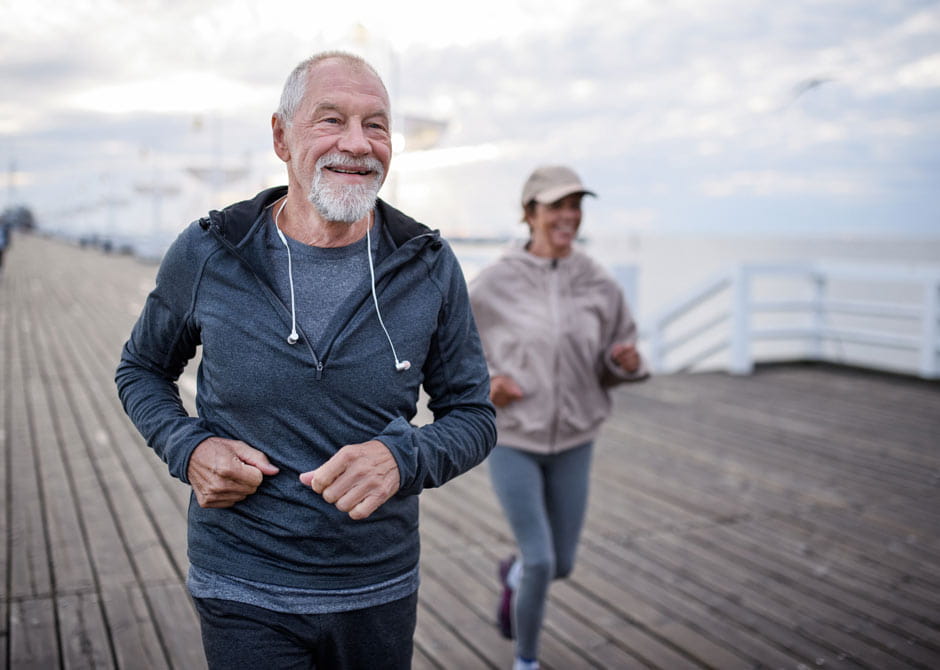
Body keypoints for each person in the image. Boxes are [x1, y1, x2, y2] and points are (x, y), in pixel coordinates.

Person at [115, 51, 496, 670]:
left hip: (379, 587)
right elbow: (141, 370)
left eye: (376, 125)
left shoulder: (427, 263)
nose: (358, 143)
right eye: (331, 120)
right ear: (280, 137)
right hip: (242, 582)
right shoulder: (212, 252)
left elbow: (473, 416)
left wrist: (405, 457)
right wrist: (189, 448)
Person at [469, 165, 648, 670]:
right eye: (556, 206)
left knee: (561, 563)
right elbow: (454, 349)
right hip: (514, 438)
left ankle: (512, 577)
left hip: (576, 436)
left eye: (576, 205)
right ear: (530, 214)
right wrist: (487, 381)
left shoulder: (596, 280)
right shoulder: (493, 282)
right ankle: (526, 661)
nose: (568, 216)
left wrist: (623, 362)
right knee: (542, 560)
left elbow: (620, 350)